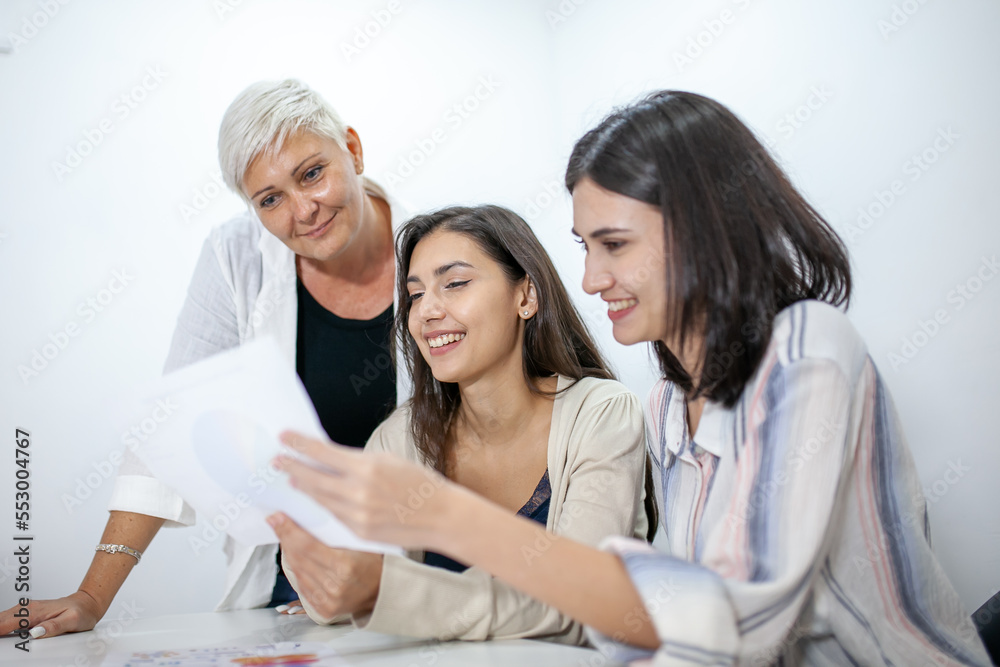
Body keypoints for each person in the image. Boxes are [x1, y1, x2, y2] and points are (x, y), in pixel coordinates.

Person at [270, 91, 991, 665]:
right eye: (586, 247)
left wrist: (444, 519)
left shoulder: (807, 350)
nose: (589, 278)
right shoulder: (672, 402)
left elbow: (740, 623)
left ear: (704, 225)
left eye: (613, 244)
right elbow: (666, 617)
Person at [0, 78, 409, 637]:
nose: (303, 210)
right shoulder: (235, 256)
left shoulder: (441, 250)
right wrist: (92, 597)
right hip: (300, 582)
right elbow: (173, 421)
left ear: (353, 150)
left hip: (427, 565)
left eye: (312, 173)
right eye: (270, 199)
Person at [268, 204, 654, 645]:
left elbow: (582, 602)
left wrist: (386, 596)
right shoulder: (401, 438)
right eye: (415, 295)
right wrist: (322, 573)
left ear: (526, 297)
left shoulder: (601, 414)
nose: (426, 311)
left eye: (455, 284)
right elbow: (347, 583)